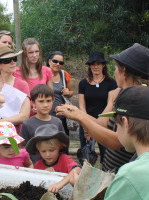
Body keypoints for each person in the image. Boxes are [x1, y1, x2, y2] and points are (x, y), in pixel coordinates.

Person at [56, 43, 149, 173]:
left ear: (124, 71)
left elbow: (117, 141)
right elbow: (102, 123)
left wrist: (81, 117)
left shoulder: (138, 99)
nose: (114, 72)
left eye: (116, 68)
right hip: (110, 169)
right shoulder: (118, 93)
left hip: (125, 171)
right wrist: (77, 113)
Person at [78, 51, 117, 162]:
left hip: (105, 122)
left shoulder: (111, 82)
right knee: (85, 156)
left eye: (98, 64)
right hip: (86, 120)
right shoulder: (83, 83)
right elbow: (81, 104)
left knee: (106, 155)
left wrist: (99, 123)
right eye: (92, 64)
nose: (95, 67)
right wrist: (86, 124)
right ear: (89, 66)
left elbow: (111, 103)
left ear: (103, 65)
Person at [25, 124, 81, 194]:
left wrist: (59, 184)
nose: (48, 155)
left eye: (51, 150)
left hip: (67, 192)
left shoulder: (64, 159)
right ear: (38, 151)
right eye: (43, 151)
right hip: (46, 194)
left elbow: (77, 169)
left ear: (59, 147)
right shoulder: (38, 165)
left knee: (75, 178)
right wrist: (43, 173)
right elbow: (34, 180)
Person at [20, 84, 64, 163]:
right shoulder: (27, 124)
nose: (45, 105)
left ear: (53, 101)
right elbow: (23, 148)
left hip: (56, 167)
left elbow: (62, 146)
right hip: (35, 167)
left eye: (48, 101)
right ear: (33, 103)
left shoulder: (57, 122)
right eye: (41, 101)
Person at [46, 51, 73, 136]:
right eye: (55, 61)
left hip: (62, 115)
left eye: (61, 62)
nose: (58, 64)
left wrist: (68, 92)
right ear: (49, 61)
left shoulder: (64, 74)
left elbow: (71, 91)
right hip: (46, 115)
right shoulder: (42, 73)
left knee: (63, 142)